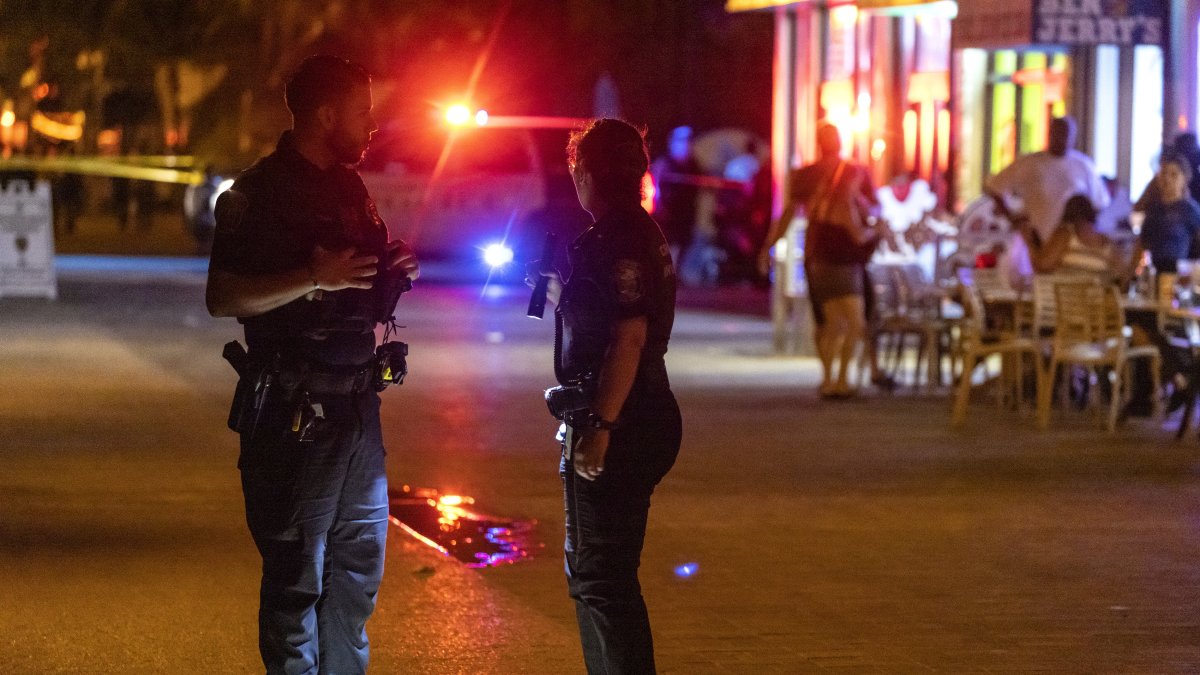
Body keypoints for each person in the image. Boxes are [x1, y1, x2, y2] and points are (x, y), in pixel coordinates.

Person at [205, 55, 419, 674]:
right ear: (327, 115)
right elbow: (223, 297)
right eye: (362, 112)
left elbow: (361, 280)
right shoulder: (260, 193)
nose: (372, 125)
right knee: (297, 580)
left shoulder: (349, 187)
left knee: (355, 581)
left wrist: (394, 270)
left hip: (357, 409)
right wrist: (310, 278)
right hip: (294, 416)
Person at [530, 118, 682, 674]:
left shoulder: (617, 237)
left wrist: (601, 427)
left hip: (625, 416)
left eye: (576, 169)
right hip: (642, 411)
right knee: (599, 574)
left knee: (601, 578)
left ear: (587, 171)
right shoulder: (636, 231)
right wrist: (558, 294)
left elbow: (630, 335)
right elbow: (611, 319)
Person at [760, 122, 883, 398]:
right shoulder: (855, 171)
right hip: (845, 254)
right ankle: (839, 379)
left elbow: (788, 216)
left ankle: (830, 379)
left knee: (827, 321)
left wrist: (769, 247)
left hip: (816, 253)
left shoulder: (805, 175)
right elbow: (872, 208)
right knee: (851, 321)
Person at [986, 116, 1110, 248]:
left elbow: (1099, 203)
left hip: (1074, 245)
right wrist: (1012, 218)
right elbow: (994, 187)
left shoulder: (1084, 166)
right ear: (1050, 133)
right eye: (1058, 132)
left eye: (1066, 133)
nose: (1062, 138)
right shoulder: (1029, 163)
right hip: (1038, 241)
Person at [1130, 153, 1200, 275]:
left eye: (1173, 175)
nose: (1167, 179)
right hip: (1154, 274)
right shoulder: (1153, 210)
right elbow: (1141, 245)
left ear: (1184, 178)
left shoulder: (1190, 210)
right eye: (1164, 174)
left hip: (1179, 276)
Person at [1019, 194, 1115, 279]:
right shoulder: (1106, 241)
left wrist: (1029, 243)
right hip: (1097, 297)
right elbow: (1119, 274)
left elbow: (1044, 266)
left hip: (1067, 295)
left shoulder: (1066, 233)